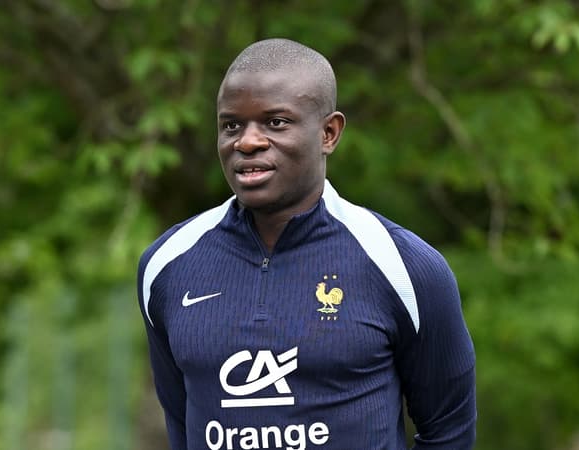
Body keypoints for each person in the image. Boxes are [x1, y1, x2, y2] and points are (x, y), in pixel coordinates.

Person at [137, 38, 476, 450]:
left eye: (276, 122)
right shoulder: (167, 266)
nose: (247, 142)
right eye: (231, 126)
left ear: (328, 133)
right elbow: (181, 425)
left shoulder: (403, 266)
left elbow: (449, 431)